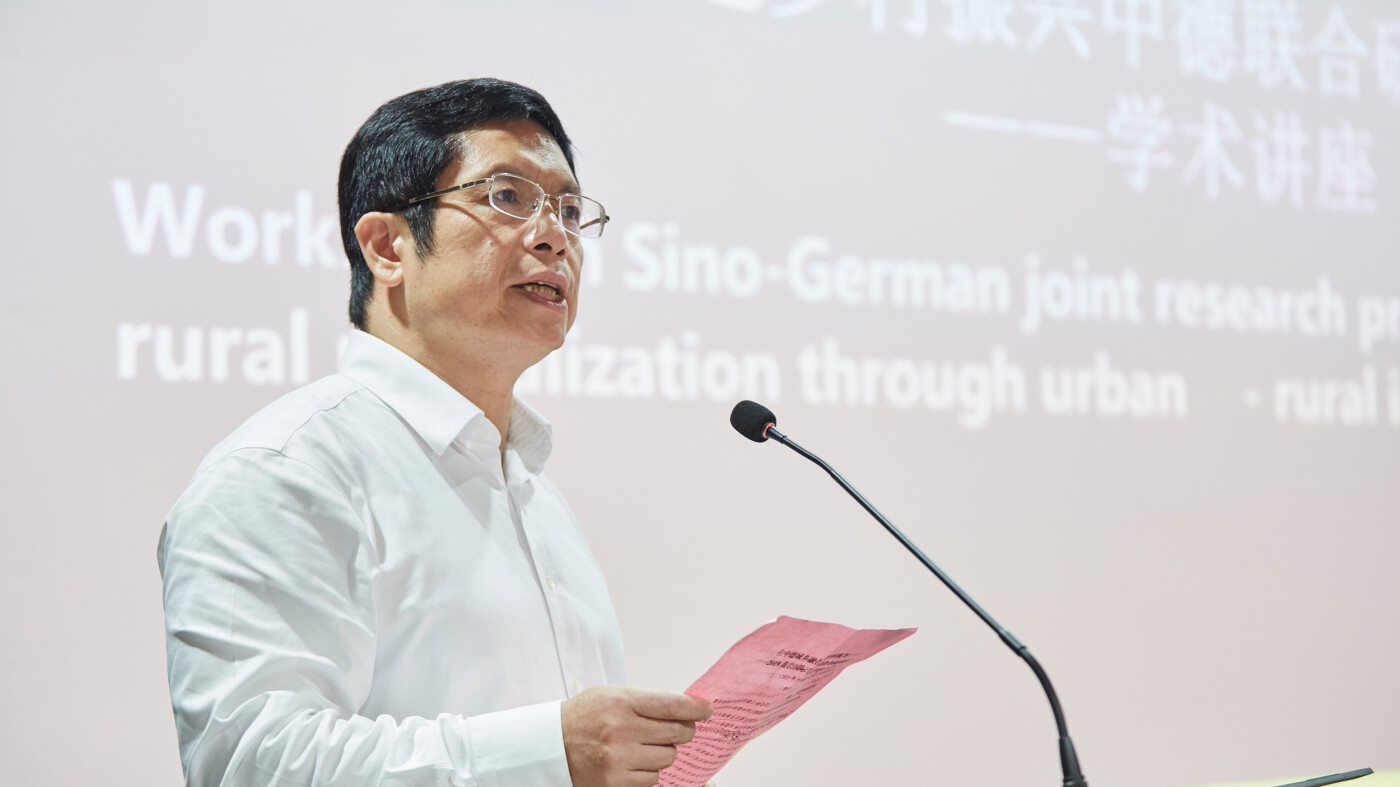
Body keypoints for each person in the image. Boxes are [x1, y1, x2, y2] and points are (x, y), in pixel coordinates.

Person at [158, 78, 713, 787]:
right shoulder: (282, 471)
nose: (554, 235)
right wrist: (549, 754)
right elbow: (252, 764)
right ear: (387, 246)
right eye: (507, 196)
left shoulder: (533, 493)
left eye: (570, 210)